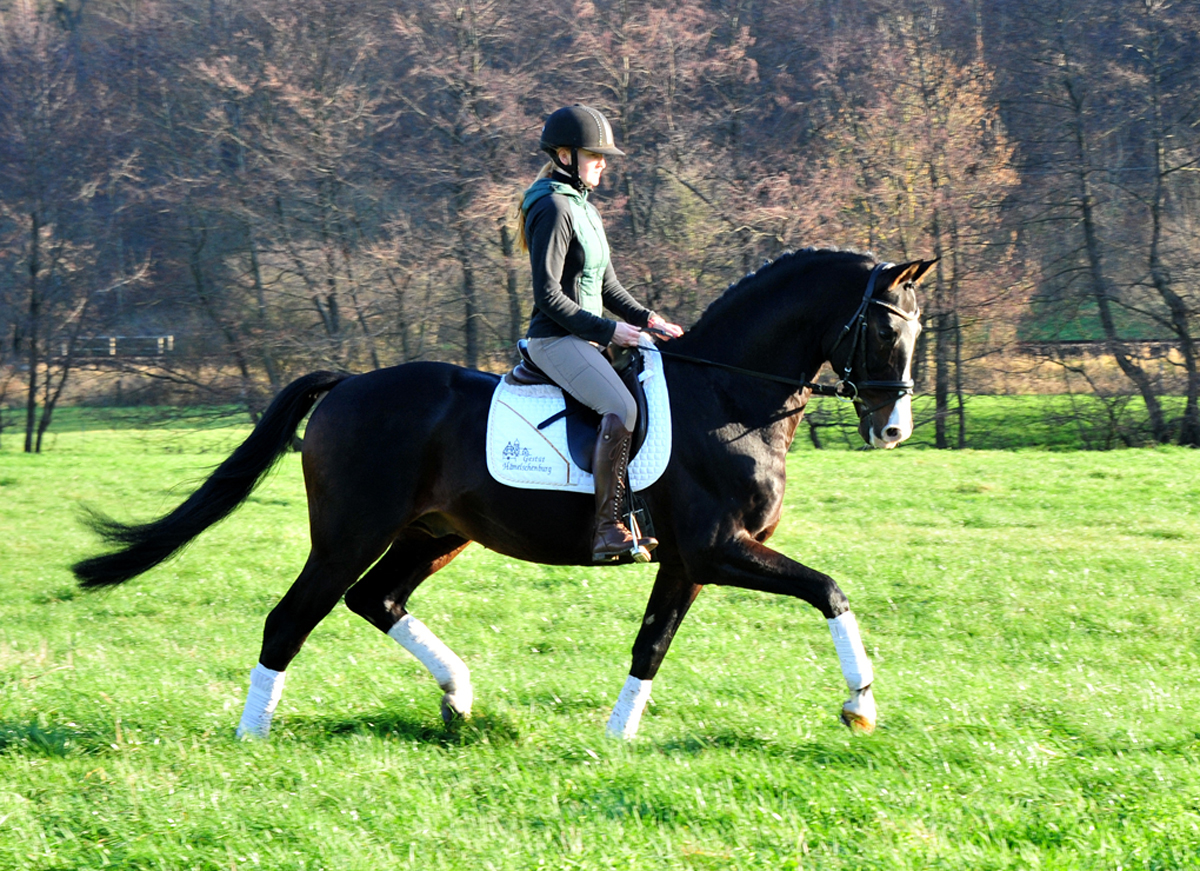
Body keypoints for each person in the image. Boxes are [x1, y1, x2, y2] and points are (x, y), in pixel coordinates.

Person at [518, 104, 683, 562]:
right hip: (555, 340)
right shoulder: (552, 208)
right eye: (596, 154)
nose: (603, 163)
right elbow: (549, 296)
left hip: (586, 337)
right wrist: (613, 331)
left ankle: (640, 512)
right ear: (566, 155)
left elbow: (607, 286)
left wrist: (651, 321)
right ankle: (607, 529)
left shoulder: (583, 209)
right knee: (620, 405)